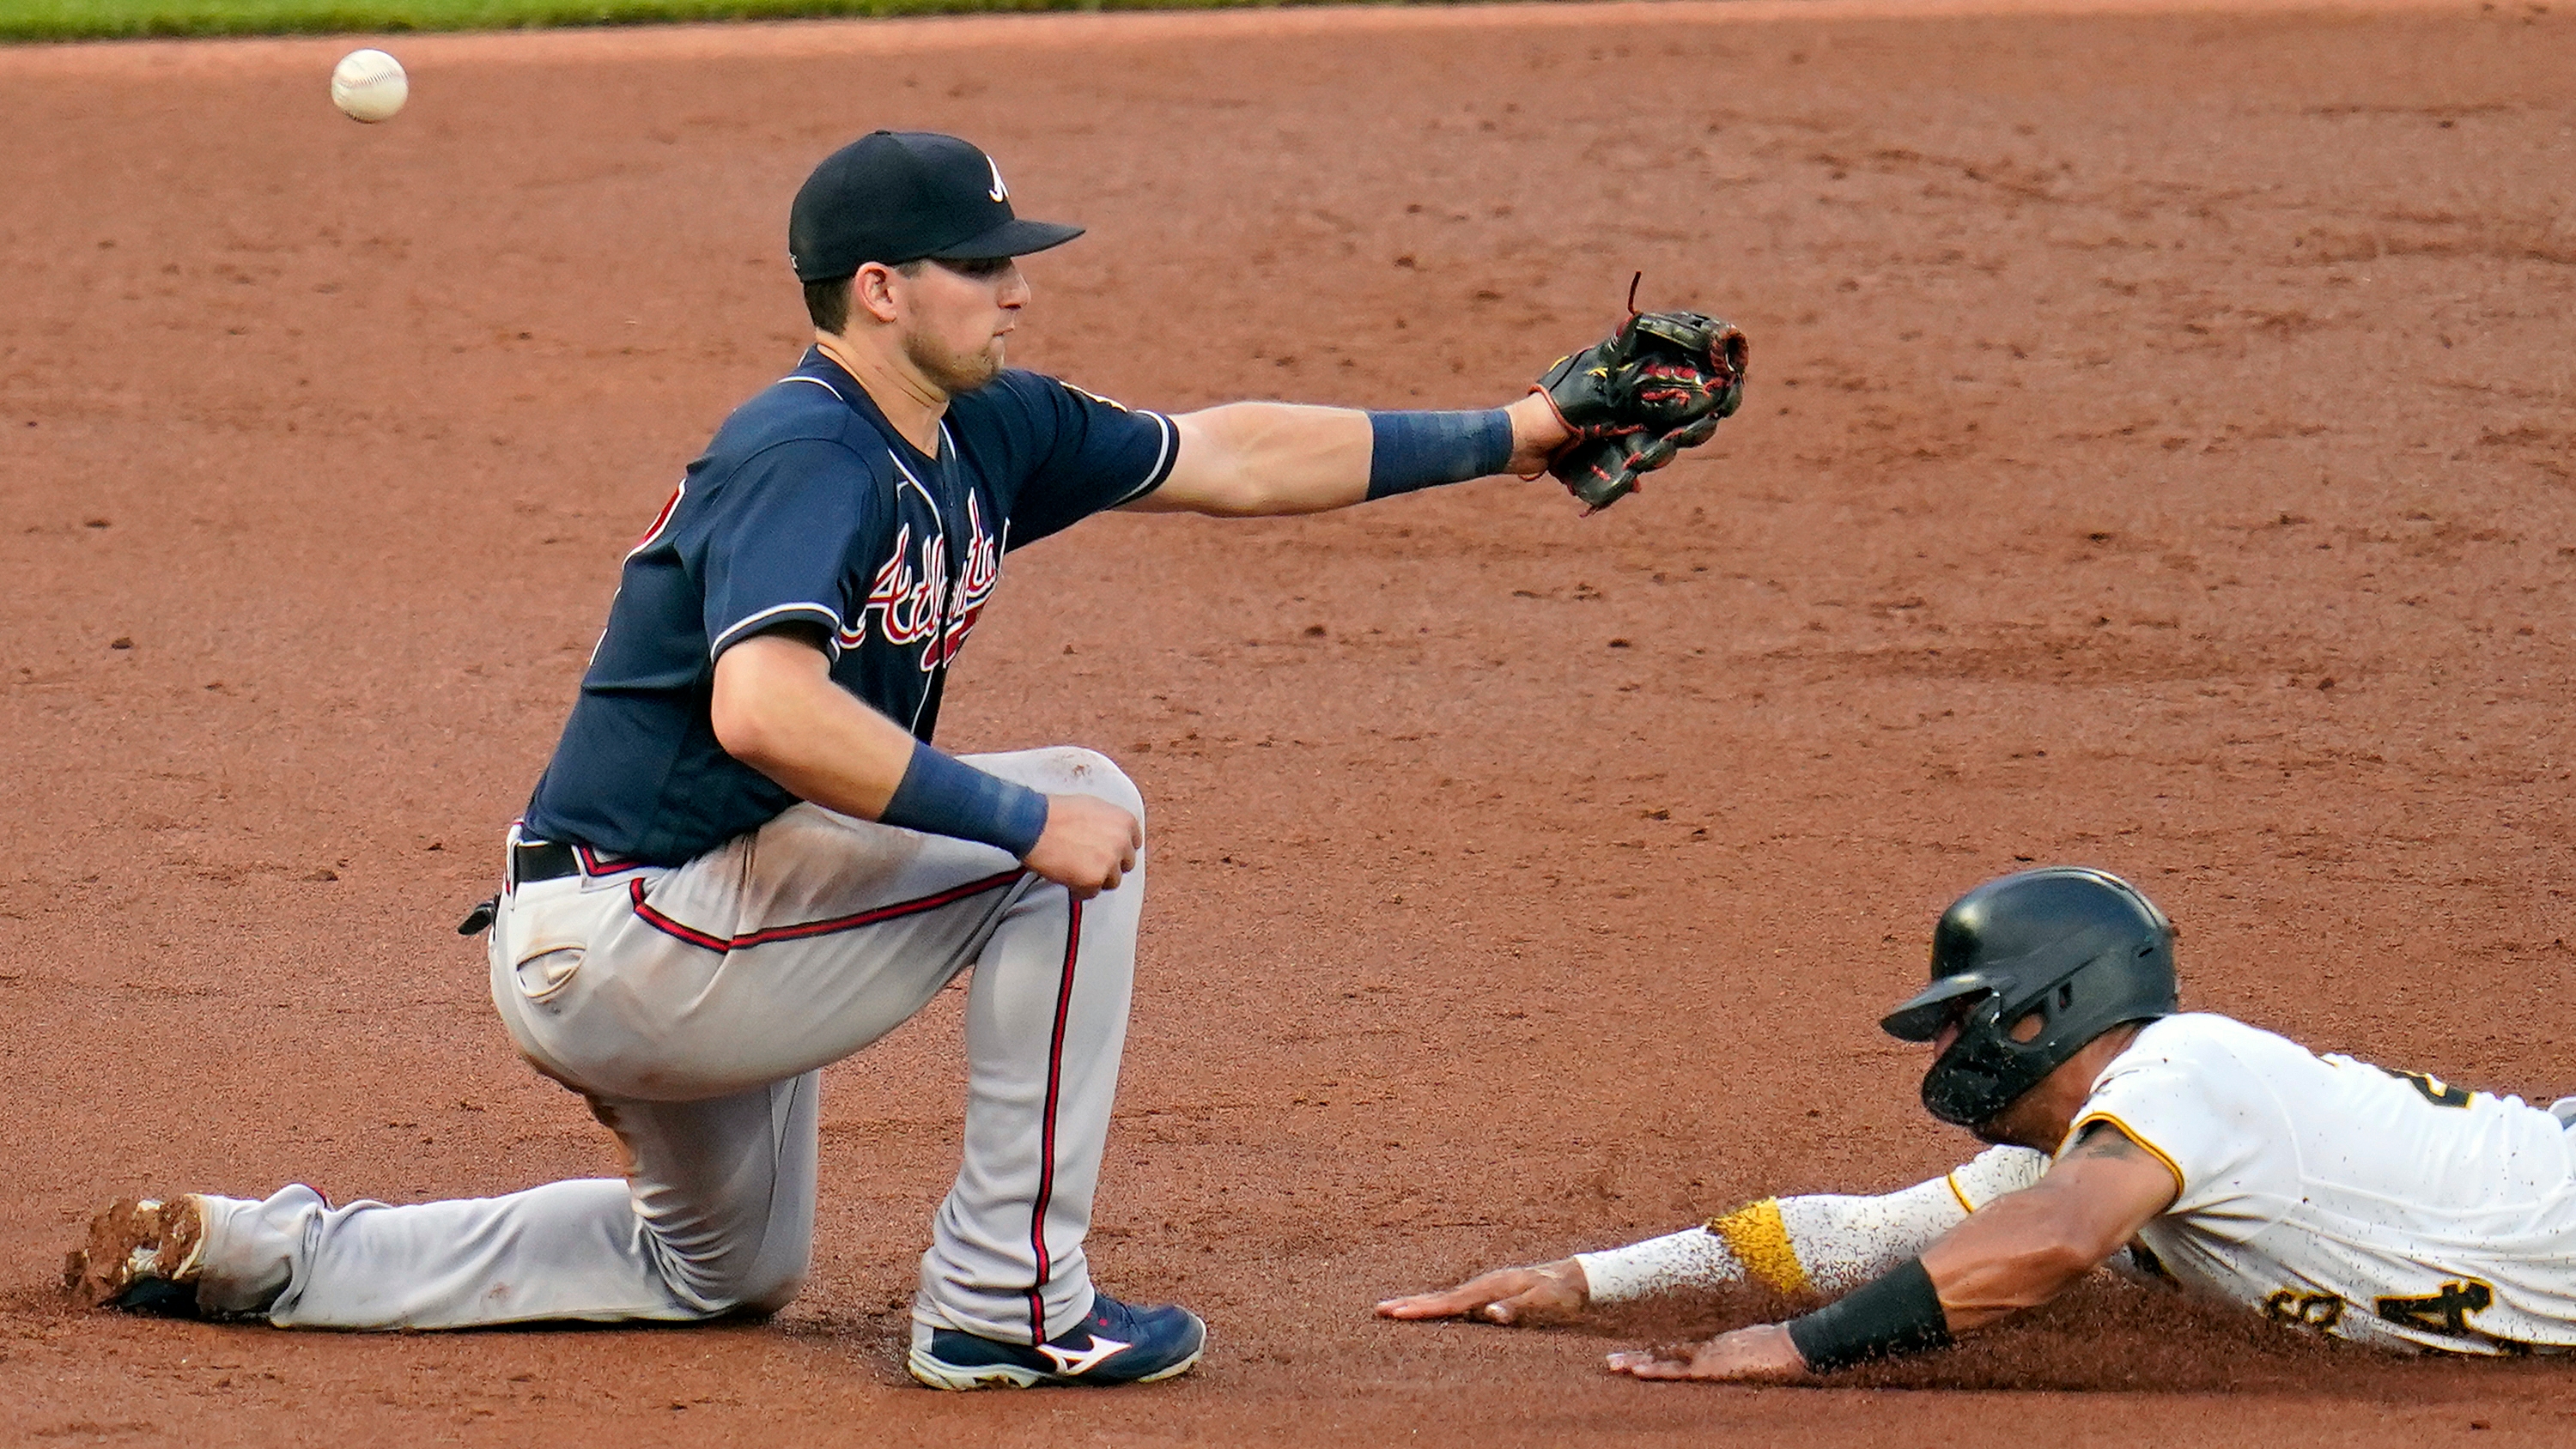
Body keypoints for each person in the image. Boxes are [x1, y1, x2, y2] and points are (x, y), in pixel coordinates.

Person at [62, 130, 1741, 1391]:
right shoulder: (806, 447)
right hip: (639, 928)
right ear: (882, 287)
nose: (1020, 287)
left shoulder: (985, 426)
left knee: (716, 1271)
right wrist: (1017, 820)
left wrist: (1520, 432)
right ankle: (1008, 1303)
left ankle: (266, 1254)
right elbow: (764, 710)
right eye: (983, 263)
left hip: (704, 918)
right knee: (1080, 812)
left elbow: (1224, 452)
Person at [1379, 866, 2576, 1375]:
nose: (1951, 1050)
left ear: (2054, 1004)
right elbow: (1855, 1237)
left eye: (1965, 1018)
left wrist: (1798, 1349)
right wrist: (1585, 1279)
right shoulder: (2092, 1158)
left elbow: (2051, 1246)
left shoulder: (2185, 1072)